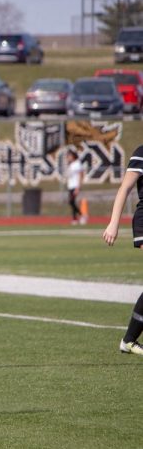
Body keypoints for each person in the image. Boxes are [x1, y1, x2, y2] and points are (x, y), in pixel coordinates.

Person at [102, 144, 143, 356]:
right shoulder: (141, 152)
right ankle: (128, 340)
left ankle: (128, 340)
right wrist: (113, 223)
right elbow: (125, 188)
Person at [65, 148, 86, 225]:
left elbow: (81, 175)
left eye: (69, 156)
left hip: (75, 185)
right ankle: (75, 219)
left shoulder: (77, 164)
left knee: (71, 201)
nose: (68, 157)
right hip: (70, 186)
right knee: (72, 202)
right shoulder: (70, 164)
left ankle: (82, 215)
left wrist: (78, 187)